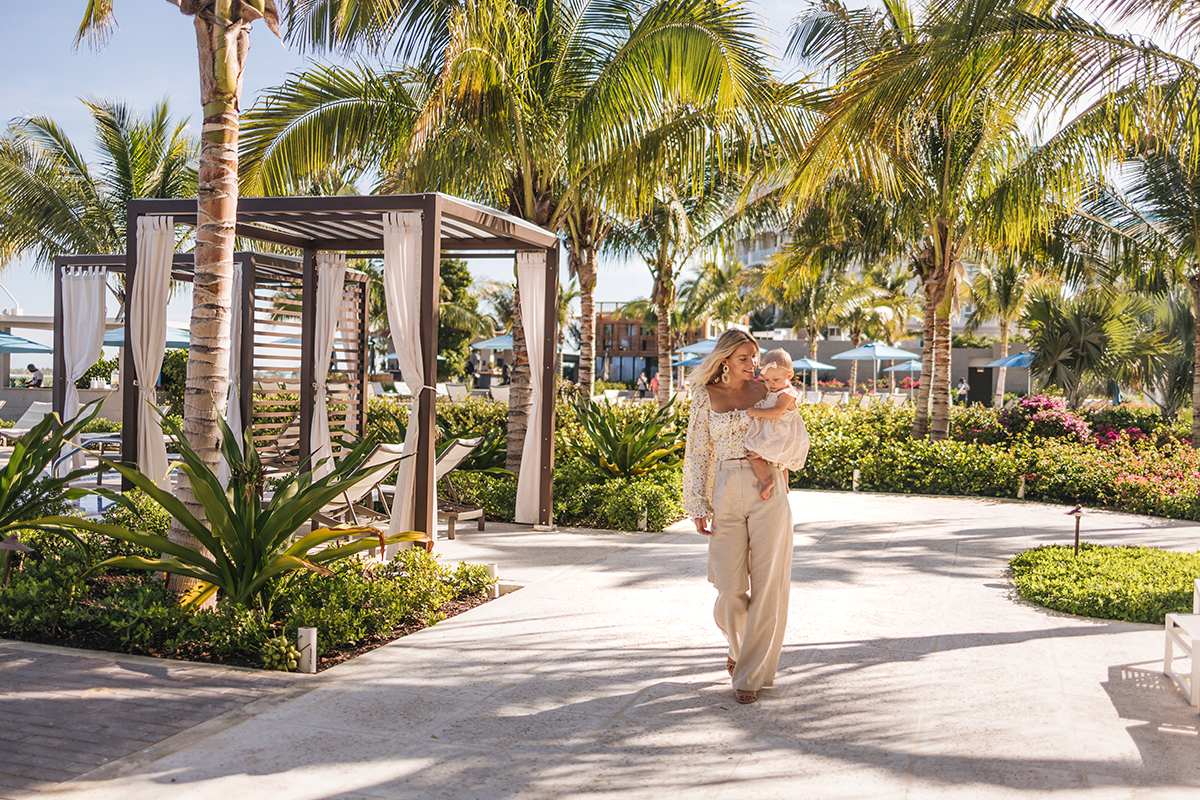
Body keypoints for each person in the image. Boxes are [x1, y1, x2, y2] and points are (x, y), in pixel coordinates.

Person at [682, 329, 794, 706]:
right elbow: (697, 452)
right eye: (744, 358)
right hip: (726, 489)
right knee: (729, 588)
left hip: (768, 489)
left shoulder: (768, 393)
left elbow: (790, 433)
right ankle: (737, 645)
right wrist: (697, 505)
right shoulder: (705, 395)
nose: (753, 364)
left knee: (767, 587)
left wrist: (781, 468)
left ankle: (748, 675)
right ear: (725, 360)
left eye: (755, 356)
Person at [744, 349, 810, 501]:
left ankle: (766, 481)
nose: (771, 384)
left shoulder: (787, 394)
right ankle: (784, 486)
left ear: (789, 375)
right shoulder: (776, 391)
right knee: (782, 464)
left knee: (753, 452)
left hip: (780, 433)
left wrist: (755, 412)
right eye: (766, 380)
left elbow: (776, 412)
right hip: (777, 431)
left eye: (775, 379)